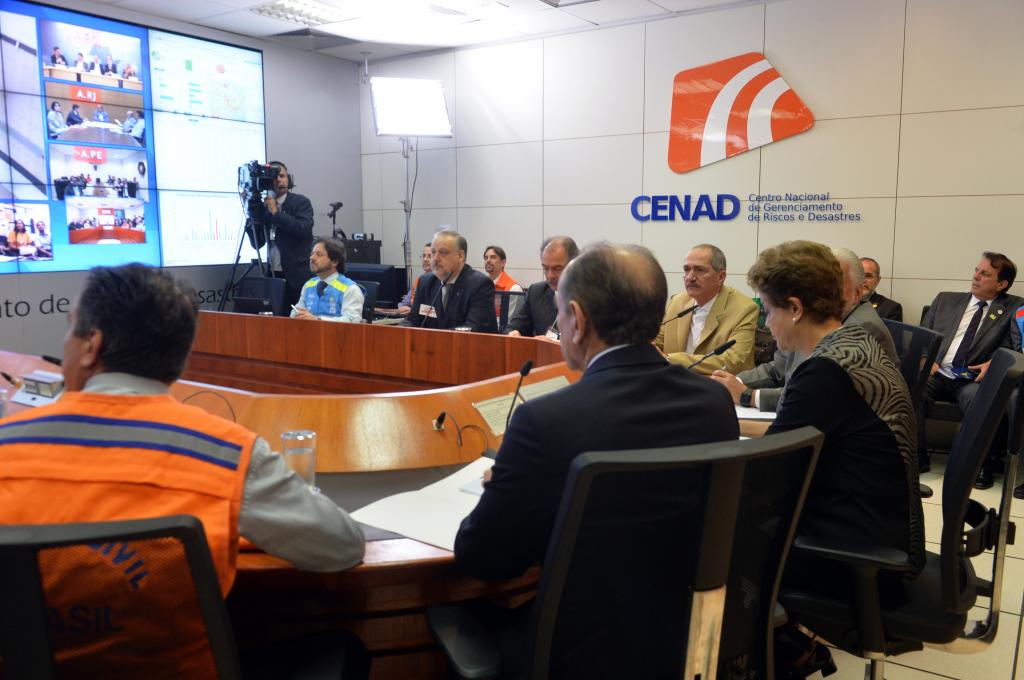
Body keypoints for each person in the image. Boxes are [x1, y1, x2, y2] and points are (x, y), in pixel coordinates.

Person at [0, 264, 368, 676]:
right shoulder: (226, 452)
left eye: (69, 330)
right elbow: (343, 547)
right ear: (179, 355)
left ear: (91, 345)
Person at [454, 242, 738, 675]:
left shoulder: (544, 421)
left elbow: (485, 559)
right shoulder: (714, 404)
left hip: (574, 652)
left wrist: (505, 485)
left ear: (578, 319)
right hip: (682, 638)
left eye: (560, 315)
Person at [747, 241, 922, 677]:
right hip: (882, 529)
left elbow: (767, 477)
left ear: (793, 307)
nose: (768, 325)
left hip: (854, 551)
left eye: (768, 312)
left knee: (716, 534)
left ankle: (768, 656)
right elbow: (795, 438)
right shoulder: (854, 341)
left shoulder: (823, 372)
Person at [713, 246, 897, 412]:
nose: (820, 293)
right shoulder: (816, 332)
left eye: (833, 286)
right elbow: (778, 369)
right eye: (818, 285)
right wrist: (728, 384)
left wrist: (748, 396)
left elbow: (806, 400)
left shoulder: (856, 336)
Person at [918, 252, 1023, 487]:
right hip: (937, 372)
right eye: (976, 270)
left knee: (981, 401)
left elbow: (1015, 346)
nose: (975, 276)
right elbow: (923, 335)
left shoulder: (1013, 308)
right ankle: (917, 456)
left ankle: (977, 464)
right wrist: (925, 357)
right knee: (910, 390)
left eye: (985, 274)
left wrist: (994, 363)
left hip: (971, 379)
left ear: (1002, 284)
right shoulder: (945, 300)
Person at [655, 243, 758, 375]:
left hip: (718, 389)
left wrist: (669, 359)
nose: (690, 277)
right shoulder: (677, 302)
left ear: (721, 277)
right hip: (675, 385)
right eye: (687, 269)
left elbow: (732, 361)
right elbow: (658, 341)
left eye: (700, 270)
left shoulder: (744, 309)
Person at [403, 229, 497, 332]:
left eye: (443, 253)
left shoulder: (480, 285)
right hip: (431, 346)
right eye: (433, 252)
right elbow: (412, 321)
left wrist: (433, 339)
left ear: (460, 256)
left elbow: (472, 329)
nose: (435, 258)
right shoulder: (425, 282)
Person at [251, 161, 315, 306]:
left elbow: (303, 229)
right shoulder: (264, 206)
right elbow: (257, 243)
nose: (279, 179)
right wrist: (252, 214)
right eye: (274, 177)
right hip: (273, 274)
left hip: (296, 276)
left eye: (282, 176)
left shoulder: (301, 202)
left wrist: (276, 213)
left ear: (288, 179)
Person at [506, 236, 579, 338]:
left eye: (557, 269)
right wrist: (513, 333)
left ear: (573, 265)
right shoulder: (536, 292)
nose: (550, 276)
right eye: (545, 268)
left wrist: (554, 343)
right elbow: (514, 327)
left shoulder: (590, 294)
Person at [292, 238, 365, 323]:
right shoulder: (309, 285)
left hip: (336, 335)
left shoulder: (350, 288)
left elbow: (352, 320)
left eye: (318, 255)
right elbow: (296, 310)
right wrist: (296, 314)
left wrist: (318, 320)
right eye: (312, 254)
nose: (312, 258)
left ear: (334, 261)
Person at [483, 245, 523, 323]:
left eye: (493, 257)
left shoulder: (514, 288)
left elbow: (507, 322)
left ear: (503, 263)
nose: (488, 260)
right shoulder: (481, 286)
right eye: (486, 257)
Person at [861, 256, 903, 321]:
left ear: (877, 280)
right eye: (859, 275)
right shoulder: (843, 304)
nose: (863, 280)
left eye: (868, 276)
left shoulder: (891, 309)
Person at [397, 242, 431, 314]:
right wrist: (402, 308)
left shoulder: (441, 282)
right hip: (414, 320)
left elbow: (438, 312)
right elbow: (405, 303)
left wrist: (414, 310)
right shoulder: (419, 280)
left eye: (429, 256)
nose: (425, 259)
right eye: (424, 255)